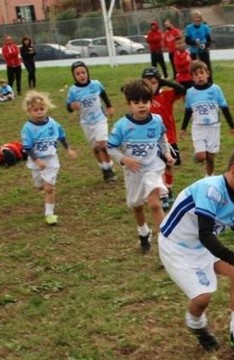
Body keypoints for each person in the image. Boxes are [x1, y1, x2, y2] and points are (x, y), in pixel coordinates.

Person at [158, 143, 234, 353]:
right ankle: (196, 324)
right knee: (202, 299)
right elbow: (205, 234)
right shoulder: (210, 189)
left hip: (203, 246)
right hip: (177, 247)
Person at [107, 80, 174, 253]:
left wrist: (167, 154)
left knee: (154, 204)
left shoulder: (156, 121)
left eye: (145, 101)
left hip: (153, 168)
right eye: (136, 103)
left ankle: (166, 245)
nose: (141, 106)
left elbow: (162, 139)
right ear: (129, 104)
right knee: (136, 206)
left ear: (151, 102)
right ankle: (143, 233)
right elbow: (110, 148)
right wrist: (124, 159)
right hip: (133, 172)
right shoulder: (122, 126)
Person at [21, 91, 78, 226]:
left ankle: (49, 214)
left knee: (49, 188)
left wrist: (68, 149)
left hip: (51, 160)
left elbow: (61, 136)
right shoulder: (27, 128)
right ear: (29, 111)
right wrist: (37, 160)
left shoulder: (52, 123)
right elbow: (27, 147)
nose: (39, 112)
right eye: (35, 110)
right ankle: (42, 186)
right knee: (39, 185)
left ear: (46, 108)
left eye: (42, 109)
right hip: (36, 161)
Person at [180, 60, 234, 177]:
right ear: (192, 77)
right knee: (202, 156)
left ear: (207, 73)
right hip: (198, 127)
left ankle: (209, 176)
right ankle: (198, 156)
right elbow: (188, 111)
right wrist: (183, 128)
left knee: (211, 157)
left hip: (213, 127)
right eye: (196, 75)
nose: (200, 76)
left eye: (202, 73)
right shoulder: (190, 93)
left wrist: (232, 127)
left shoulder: (216, 89)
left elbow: (225, 109)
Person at [141, 67, 186, 209]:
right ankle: (163, 194)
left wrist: (163, 81)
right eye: (147, 83)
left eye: (154, 82)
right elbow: (125, 90)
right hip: (150, 141)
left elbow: (181, 89)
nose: (151, 86)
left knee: (168, 167)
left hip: (169, 138)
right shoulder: (143, 100)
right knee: (157, 168)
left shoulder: (166, 95)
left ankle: (169, 189)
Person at [66, 61, 117, 182]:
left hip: (100, 119)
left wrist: (109, 106)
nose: (81, 75)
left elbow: (103, 94)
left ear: (87, 72)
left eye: (83, 72)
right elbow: (68, 107)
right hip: (86, 123)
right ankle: (104, 169)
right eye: (78, 74)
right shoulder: (73, 90)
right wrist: (72, 106)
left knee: (103, 145)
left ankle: (109, 168)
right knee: (95, 148)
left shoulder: (95, 84)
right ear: (74, 76)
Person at [185, 11, 213, 82]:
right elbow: (187, 41)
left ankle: (209, 83)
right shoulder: (189, 28)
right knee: (195, 68)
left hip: (203, 51)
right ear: (192, 19)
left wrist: (205, 45)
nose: (197, 19)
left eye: (198, 17)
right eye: (195, 17)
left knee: (206, 68)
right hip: (194, 52)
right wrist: (194, 42)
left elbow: (209, 40)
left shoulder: (205, 27)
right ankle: (196, 82)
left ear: (201, 18)